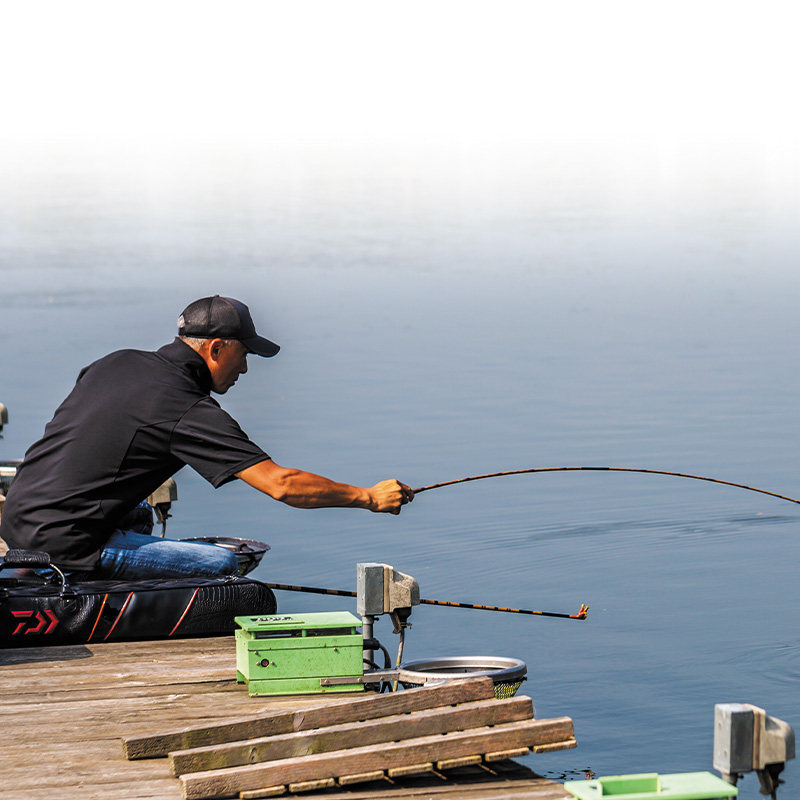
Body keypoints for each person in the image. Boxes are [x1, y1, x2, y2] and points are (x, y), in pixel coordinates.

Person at [0, 296, 413, 579]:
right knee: (224, 564)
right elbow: (281, 485)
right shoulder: (186, 408)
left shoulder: (114, 362)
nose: (246, 369)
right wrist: (369, 497)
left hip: (16, 518)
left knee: (142, 513)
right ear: (217, 348)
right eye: (245, 355)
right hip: (64, 546)